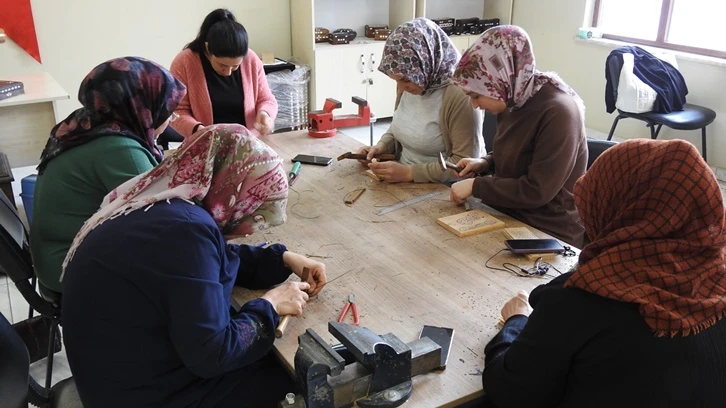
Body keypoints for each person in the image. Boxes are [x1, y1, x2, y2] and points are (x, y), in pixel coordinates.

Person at [61, 124, 326, 407]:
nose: (250, 230)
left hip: (113, 374)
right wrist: (270, 306)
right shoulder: (187, 232)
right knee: (296, 378)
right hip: (143, 395)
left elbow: (207, 263)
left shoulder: (165, 200)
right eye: (254, 214)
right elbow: (214, 354)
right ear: (233, 192)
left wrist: (282, 259)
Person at [481, 139, 726, 408]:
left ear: (618, 206)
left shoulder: (582, 299)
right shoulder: (716, 280)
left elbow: (509, 390)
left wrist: (516, 321)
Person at [31, 57, 186, 293]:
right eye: (169, 112)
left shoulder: (86, 124)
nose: (170, 120)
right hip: (72, 265)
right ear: (145, 107)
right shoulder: (119, 148)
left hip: (56, 253)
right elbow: (166, 218)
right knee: (193, 265)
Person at [449, 25, 587, 248]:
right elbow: (519, 152)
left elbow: (537, 190)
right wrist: (486, 162)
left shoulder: (559, 112)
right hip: (509, 213)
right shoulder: (513, 97)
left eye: (476, 96)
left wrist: (477, 186)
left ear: (500, 79)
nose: (474, 105)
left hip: (547, 230)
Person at [356, 18, 483, 184]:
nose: (401, 88)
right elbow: (400, 126)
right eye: (397, 81)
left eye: (405, 80)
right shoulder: (412, 82)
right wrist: (382, 147)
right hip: (404, 179)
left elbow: (463, 166)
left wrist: (410, 173)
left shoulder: (460, 95)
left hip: (443, 187)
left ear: (426, 63)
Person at [170, 8, 278, 140]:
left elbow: (266, 99)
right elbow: (176, 111)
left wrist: (265, 114)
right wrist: (198, 130)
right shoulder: (184, 62)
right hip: (206, 144)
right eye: (222, 65)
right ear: (208, 48)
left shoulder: (251, 60)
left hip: (248, 143)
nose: (228, 72)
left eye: (235, 66)